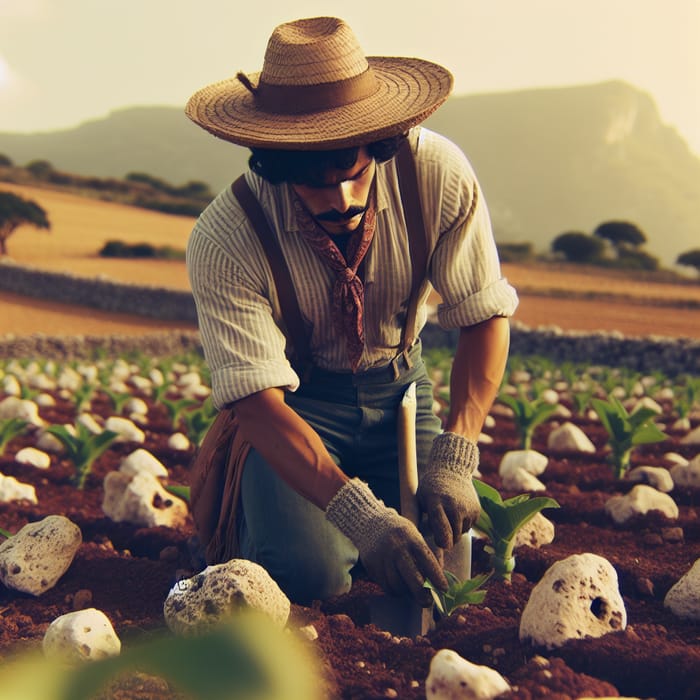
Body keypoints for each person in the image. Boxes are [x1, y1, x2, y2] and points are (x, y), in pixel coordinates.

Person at [185, 16, 518, 606]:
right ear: (275, 159)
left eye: (355, 173)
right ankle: (248, 521)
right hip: (297, 409)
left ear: (379, 141)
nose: (342, 201)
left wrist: (457, 453)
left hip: (403, 396)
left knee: (455, 552)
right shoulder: (225, 236)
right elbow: (259, 406)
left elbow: (484, 316)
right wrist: (364, 520)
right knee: (306, 576)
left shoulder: (435, 175)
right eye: (316, 183)